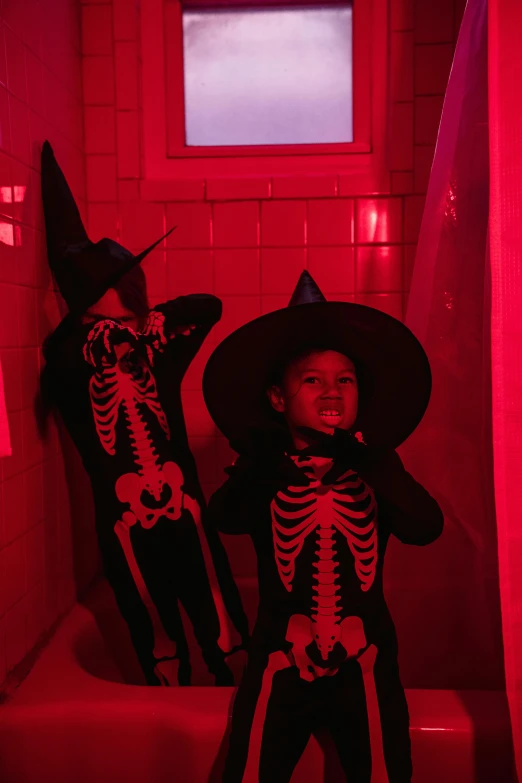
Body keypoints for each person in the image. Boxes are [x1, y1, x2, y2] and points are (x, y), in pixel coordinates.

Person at [203, 270, 444, 782]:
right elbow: (221, 517)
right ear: (277, 399)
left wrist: (374, 463)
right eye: (312, 379)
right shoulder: (265, 471)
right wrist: (262, 465)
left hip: (366, 656)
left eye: (345, 379)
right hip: (279, 656)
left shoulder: (376, 470)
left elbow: (427, 526)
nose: (331, 390)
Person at [39, 141, 249, 686]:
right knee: (153, 629)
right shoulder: (73, 364)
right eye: (118, 284)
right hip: (125, 521)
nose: (131, 289)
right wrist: (97, 330)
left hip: (185, 507)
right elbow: (60, 358)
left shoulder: (156, 352)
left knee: (220, 622)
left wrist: (148, 321)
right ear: (88, 300)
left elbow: (209, 307)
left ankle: (230, 695)